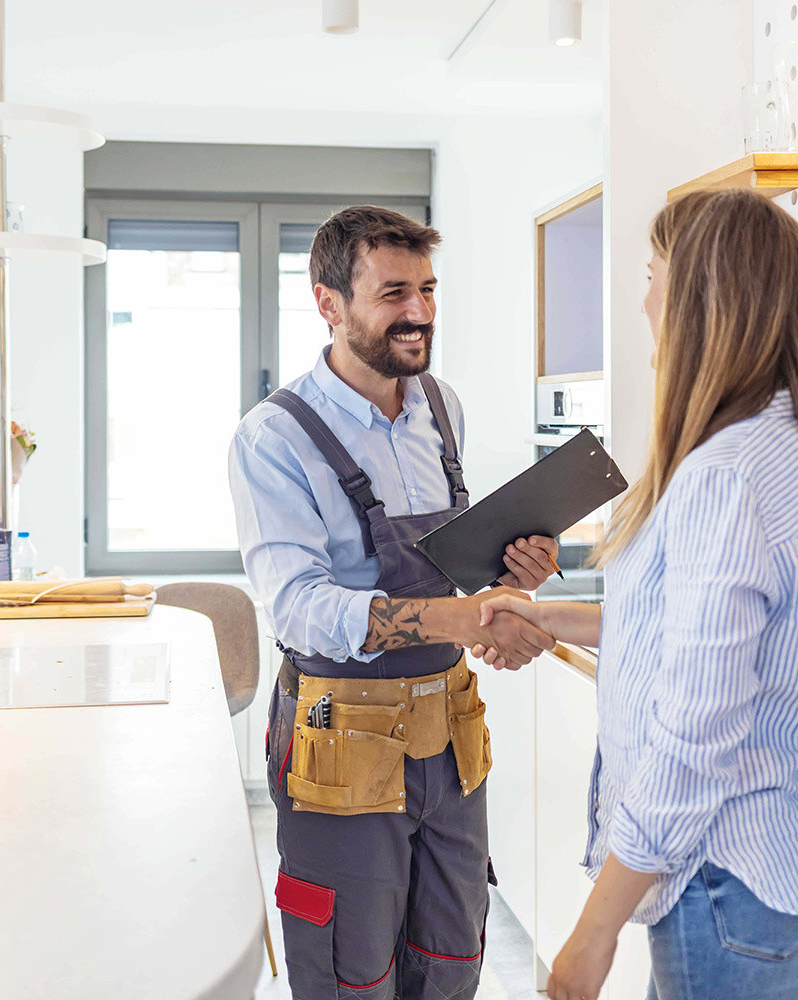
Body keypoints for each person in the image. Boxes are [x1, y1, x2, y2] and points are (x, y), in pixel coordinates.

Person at [476, 189, 798, 999]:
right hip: (767, 880)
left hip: (723, 877)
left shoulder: (725, 475)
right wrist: (546, 616)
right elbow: (680, 635)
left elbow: (695, 731)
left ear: (697, 299)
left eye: (653, 275)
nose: (643, 299)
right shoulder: (789, 447)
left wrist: (595, 928)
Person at [228, 204, 559, 1000]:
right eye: (393, 293)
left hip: (449, 736)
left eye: (429, 290)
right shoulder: (273, 438)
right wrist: (462, 615)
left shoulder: (441, 408)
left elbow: (451, 566)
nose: (418, 313)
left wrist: (514, 574)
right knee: (351, 972)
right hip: (342, 743)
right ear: (329, 303)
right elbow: (300, 607)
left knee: (450, 958)